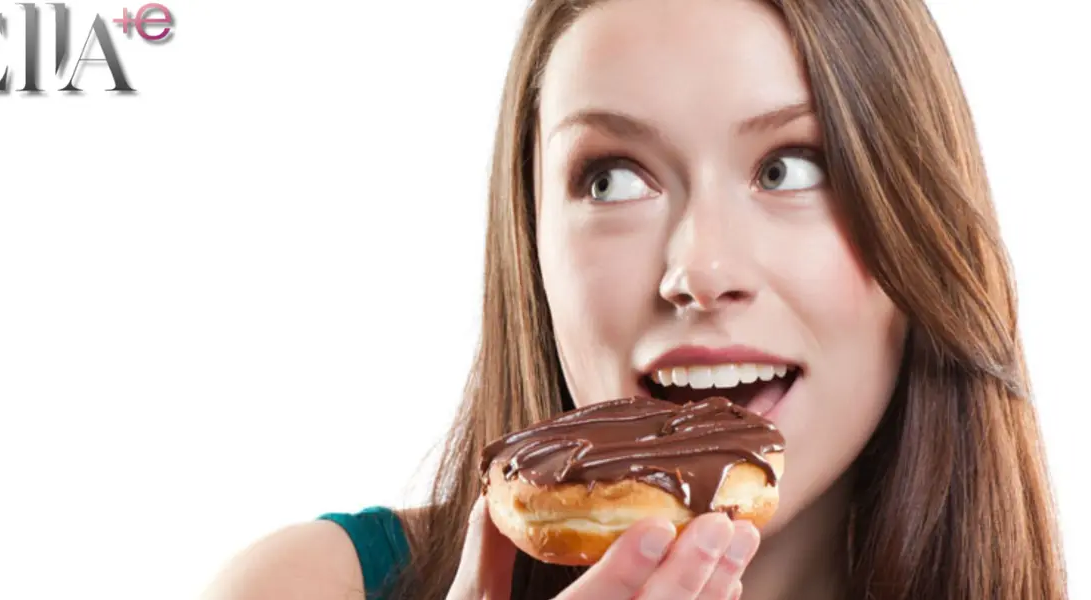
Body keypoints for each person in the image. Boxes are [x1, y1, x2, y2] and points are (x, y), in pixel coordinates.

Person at [204, 0, 1068, 598]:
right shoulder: (310, 586)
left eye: (790, 168)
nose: (698, 269)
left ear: (915, 219)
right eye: (613, 178)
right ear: (530, 236)